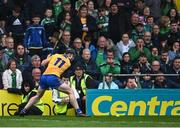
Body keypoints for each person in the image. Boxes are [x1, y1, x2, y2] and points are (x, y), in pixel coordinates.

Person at [19, 48, 86, 116]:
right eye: (72, 56)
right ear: (70, 55)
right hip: (53, 77)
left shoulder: (55, 55)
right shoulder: (68, 63)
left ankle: (24, 110)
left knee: (37, 96)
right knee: (70, 92)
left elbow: (42, 63)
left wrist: (48, 58)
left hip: (44, 77)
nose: (72, 58)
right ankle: (79, 112)